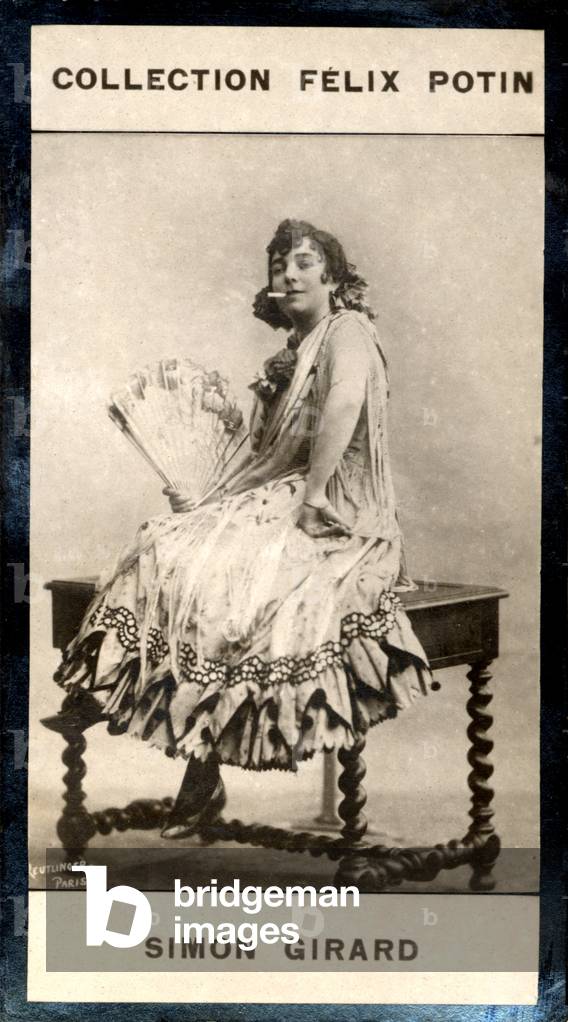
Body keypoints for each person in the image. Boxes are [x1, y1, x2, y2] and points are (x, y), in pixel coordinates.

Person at [52, 218, 432, 839]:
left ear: (332, 277)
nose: (289, 274)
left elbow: (344, 404)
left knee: (252, 582)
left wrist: (312, 497)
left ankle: (197, 767)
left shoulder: (349, 332)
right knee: (167, 542)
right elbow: (261, 459)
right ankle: (159, 736)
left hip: (341, 507)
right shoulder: (285, 359)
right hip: (284, 494)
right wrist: (203, 497)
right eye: (279, 265)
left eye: (304, 263)